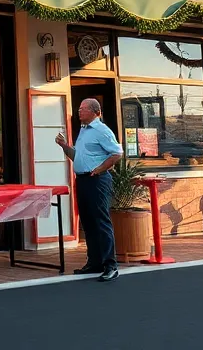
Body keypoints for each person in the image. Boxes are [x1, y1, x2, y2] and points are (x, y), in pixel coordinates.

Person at [56, 98, 123, 282]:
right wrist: (64, 146)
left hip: (97, 180)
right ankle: (94, 262)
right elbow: (77, 156)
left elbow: (117, 153)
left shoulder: (101, 130)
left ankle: (110, 265)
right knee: (88, 222)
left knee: (101, 221)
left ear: (95, 112)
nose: (79, 111)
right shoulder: (84, 130)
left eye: (83, 109)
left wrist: (100, 169)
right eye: (79, 108)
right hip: (83, 179)